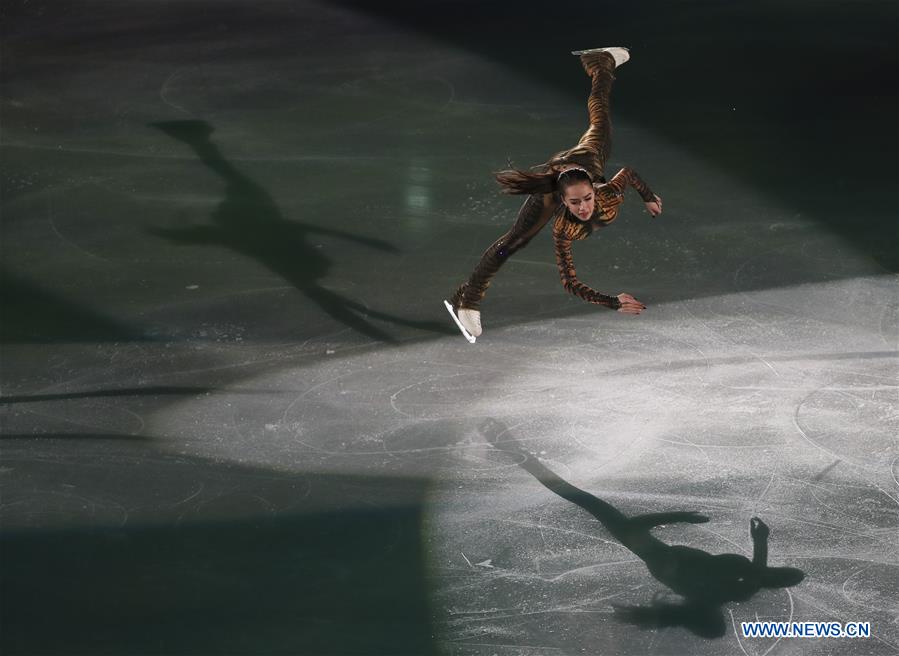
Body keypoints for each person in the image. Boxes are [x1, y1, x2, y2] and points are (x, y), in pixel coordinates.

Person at [446, 47, 662, 340]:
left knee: (600, 115)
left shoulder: (606, 187)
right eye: (575, 203)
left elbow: (629, 174)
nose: (584, 208)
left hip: (585, 159)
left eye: (587, 199)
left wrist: (648, 197)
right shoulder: (558, 216)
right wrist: (612, 302)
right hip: (556, 178)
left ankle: (599, 61)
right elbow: (570, 282)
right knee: (514, 241)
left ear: (596, 189)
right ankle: (468, 298)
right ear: (563, 201)